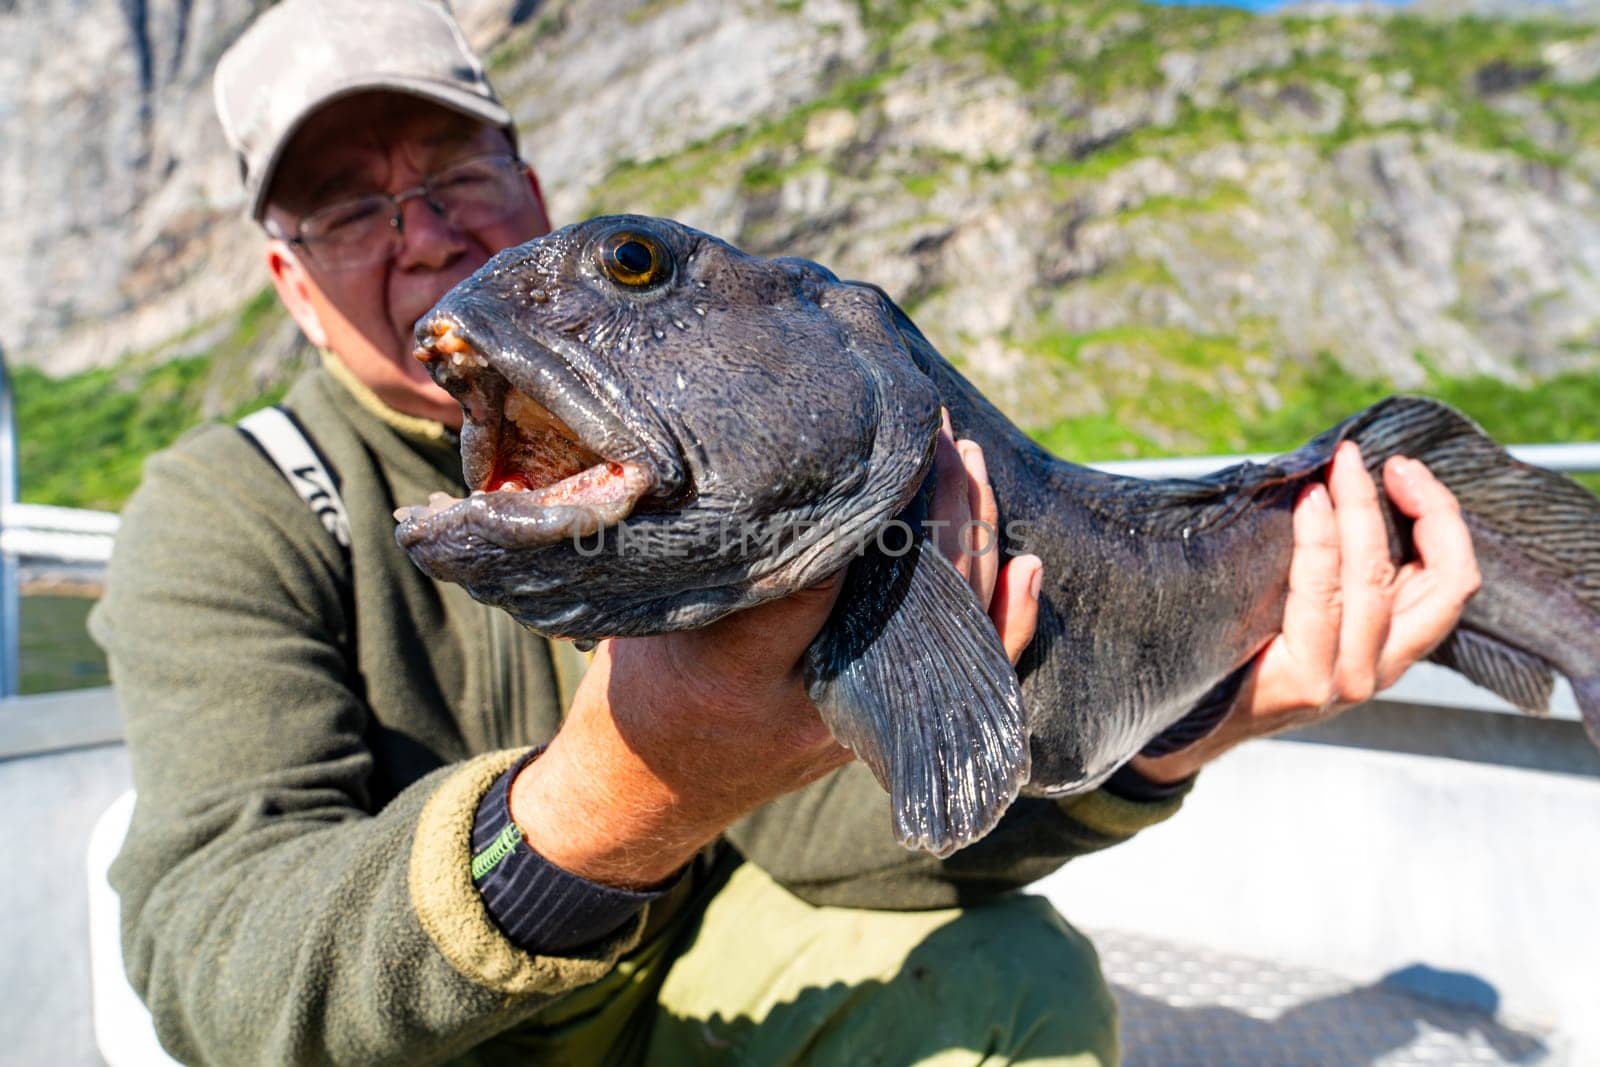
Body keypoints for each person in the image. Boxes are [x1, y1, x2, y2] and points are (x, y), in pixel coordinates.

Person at [90, 1, 1482, 1063]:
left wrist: (1187, 721)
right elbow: (216, 958)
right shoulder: (233, 507)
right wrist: (619, 792)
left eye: (457, 170)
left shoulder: (729, 477)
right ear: (286, 275)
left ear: (530, 184)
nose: (425, 232)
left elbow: (835, 843)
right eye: (349, 207)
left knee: (1016, 983)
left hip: (681, 990)